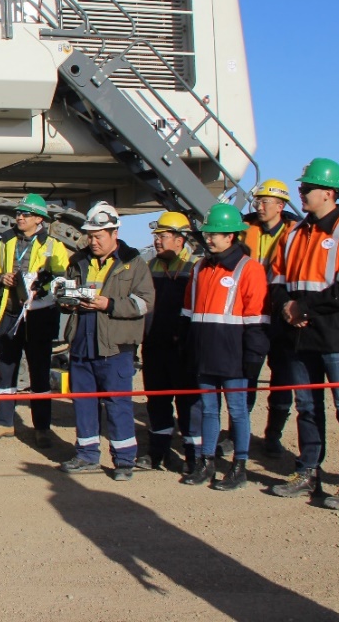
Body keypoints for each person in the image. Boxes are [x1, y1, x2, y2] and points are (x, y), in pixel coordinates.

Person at [268, 158, 339, 506]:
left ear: (328, 193)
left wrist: (302, 309)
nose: (301, 192)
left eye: (306, 188)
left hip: (337, 336)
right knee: (308, 408)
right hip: (300, 336)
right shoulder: (296, 233)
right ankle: (308, 471)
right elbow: (277, 280)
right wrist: (287, 306)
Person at [59, 202, 154, 482]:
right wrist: (67, 300)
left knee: (118, 403)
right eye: (90, 235)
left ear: (114, 233)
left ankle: (124, 460)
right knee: (84, 402)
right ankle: (87, 454)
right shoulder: (78, 261)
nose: (93, 240)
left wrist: (108, 304)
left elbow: (144, 303)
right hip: (82, 342)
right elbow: (67, 295)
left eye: (99, 235)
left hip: (115, 347)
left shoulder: (133, 263)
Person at [178, 204, 268, 490]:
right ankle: (206, 463)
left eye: (215, 233)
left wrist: (254, 357)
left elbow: (257, 318)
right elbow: (188, 314)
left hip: (234, 355)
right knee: (208, 410)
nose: (209, 238)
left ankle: (238, 467)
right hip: (205, 352)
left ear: (231, 236)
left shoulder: (249, 269)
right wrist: (187, 347)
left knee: (238, 411)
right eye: (208, 233)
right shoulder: (200, 267)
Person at [0, 193, 69, 449]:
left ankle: (42, 428)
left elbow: (62, 280)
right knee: (6, 370)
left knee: (39, 374)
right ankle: (4, 422)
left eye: (25, 214)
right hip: (10, 313)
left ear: (38, 219)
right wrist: (2, 278)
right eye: (18, 213)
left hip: (39, 315)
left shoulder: (54, 246)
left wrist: (43, 284)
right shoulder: (5, 241)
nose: (19, 217)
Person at [137, 211, 199, 473]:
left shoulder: (196, 267)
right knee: (157, 401)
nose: (158, 241)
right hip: (154, 347)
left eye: (162, 236)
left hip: (183, 349)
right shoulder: (150, 267)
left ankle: (194, 456)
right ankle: (157, 452)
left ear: (180, 239)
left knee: (188, 404)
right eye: (157, 236)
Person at [242, 179, 300, 456]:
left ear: (281, 206)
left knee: (282, 377)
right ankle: (237, 432)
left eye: (265, 201)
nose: (259, 206)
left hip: (281, 314)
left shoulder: (296, 233)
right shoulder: (245, 230)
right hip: (251, 312)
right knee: (247, 373)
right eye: (258, 201)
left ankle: (272, 436)